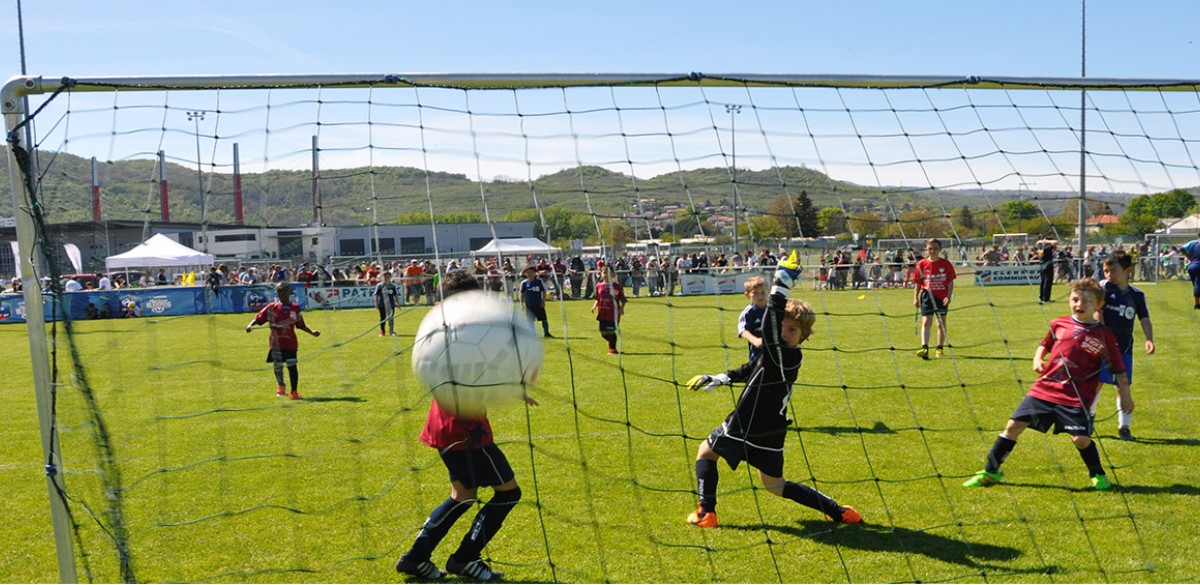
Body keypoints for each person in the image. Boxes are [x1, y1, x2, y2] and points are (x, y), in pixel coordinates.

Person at [683, 251, 861, 528]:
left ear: (803, 337)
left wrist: (781, 285)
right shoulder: (777, 353)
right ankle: (839, 512)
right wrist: (720, 377)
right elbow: (751, 368)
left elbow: (767, 330)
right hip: (772, 430)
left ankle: (707, 513)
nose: (784, 333)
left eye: (792, 330)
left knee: (705, 453)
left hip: (747, 423)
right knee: (776, 486)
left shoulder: (787, 355)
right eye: (783, 327)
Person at [394, 270, 537, 582]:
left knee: (464, 495)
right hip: (467, 430)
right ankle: (465, 559)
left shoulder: (439, 324)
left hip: (444, 425)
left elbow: (473, 368)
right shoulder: (465, 328)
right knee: (508, 494)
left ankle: (415, 558)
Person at [964, 277, 1131, 491]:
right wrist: (1037, 358)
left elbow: (1118, 368)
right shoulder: (1058, 323)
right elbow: (1044, 344)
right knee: (1013, 427)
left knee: (1080, 439)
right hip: (1043, 389)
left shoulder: (1104, 335)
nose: (1079, 305)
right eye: (1075, 299)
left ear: (1099, 305)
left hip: (1075, 396)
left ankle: (1097, 474)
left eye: (1087, 301)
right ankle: (990, 471)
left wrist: (1125, 395)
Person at [1096, 252, 1155, 441]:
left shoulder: (1137, 295)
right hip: (1103, 348)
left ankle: (1124, 427)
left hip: (1125, 349)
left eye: (1113, 270)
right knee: (1096, 384)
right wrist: (1102, 331)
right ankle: (1088, 418)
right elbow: (1097, 311)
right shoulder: (1104, 288)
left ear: (1128, 270)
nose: (1108, 274)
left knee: (1123, 387)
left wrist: (1149, 339)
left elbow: (1144, 318)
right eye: (1105, 271)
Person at [245, 282, 320, 400]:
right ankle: (281, 386)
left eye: (286, 291)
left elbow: (300, 325)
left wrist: (312, 332)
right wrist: (250, 325)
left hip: (290, 343)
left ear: (290, 293)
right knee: (277, 366)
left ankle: (294, 392)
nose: (284, 294)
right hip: (275, 343)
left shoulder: (295, 308)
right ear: (277, 293)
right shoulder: (271, 307)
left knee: (292, 366)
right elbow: (259, 318)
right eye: (281, 291)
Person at [913, 238, 956, 360]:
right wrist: (915, 298)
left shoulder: (946, 264)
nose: (932, 251)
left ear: (940, 249)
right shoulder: (921, 264)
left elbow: (950, 282)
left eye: (935, 248)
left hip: (941, 297)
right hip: (927, 296)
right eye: (930, 248)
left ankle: (939, 348)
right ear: (926, 249)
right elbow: (917, 282)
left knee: (940, 323)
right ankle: (925, 348)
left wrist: (948, 296)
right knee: (926, 322)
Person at [590, 265, 626, 355]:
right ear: (601, 274)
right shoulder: (599, 286)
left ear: (613, 274)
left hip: (612, 313)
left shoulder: (616, 286)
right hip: (602, 313)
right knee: (603, 332)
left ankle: (612, 349)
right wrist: (594, 306)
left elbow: (623, 299)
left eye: (609, 273)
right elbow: (597, 298)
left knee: (610, 331)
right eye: (604, 272)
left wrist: (621, 309)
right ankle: (611, 343)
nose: (606, 274)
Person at [736, 276, 767, 362]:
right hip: (758, 357)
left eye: (763, 292)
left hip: (777, 355)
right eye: (755, 293)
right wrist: (755, 341)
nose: (760, 295)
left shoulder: (773, 309)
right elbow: (742, 331)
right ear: (747, 295)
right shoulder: (748, 312)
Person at [519, 266, 553, 338]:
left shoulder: (539, 281)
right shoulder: (524, 283)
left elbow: (544, 291)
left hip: (538, 304)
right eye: (528, 272)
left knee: (543, 319)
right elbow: (521, 294)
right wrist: (521, 304)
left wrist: (543, 301)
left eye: (531, 272)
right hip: (529, 305)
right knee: (530, 320)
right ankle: (532, 334)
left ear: (535, 273)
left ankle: (546, 333)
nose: (529, 273)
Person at [373, 270, 401, 337]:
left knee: (391, 318)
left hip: (391, 305)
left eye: (388, 276)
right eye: (386, 276)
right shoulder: (379, 286)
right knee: (382, 318)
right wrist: (376, 303)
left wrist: (398, 304)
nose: (387, 277)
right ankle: (382, 331)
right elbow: (376, 295)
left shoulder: (392, 286)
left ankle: (391, 331)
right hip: (382, 304)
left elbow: (396, 295)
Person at [1034, 236, 1058, 303]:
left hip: (1042, 265)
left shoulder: (1040, 246)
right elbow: (1055, 242)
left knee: (1043, 282)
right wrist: (1047, 241)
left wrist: (1043, 241)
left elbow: (1037, 242)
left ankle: (1042, 297)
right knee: (1047, 282)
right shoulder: (1048, 247)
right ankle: (1046, 298)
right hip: (1048, 265)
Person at [1183, 231, 1200, 310]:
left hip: (1191, 266)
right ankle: (1197, 304)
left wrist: (1189, 257)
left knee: (1196, 285)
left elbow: (1181, 249)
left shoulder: (1192, 243)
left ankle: (1197, 303)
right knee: (1198, 285)